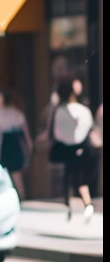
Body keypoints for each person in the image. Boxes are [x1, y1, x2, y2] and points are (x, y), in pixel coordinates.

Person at [51, 75, 95, 221]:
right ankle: (85, 204)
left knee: (69, 177)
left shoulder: (59, 111)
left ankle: (69, 206)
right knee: (80, 178)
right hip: (82, 148)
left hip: (67, 149)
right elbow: (88, 127)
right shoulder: (83, 110)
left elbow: (57, 133)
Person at [0, 88, 32, 200]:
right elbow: (27, 136)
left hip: (4, 146)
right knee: (16, 176)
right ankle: (21, 199)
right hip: (14, 146)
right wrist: (29, 149)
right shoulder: (17, 113)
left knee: (2, 175)